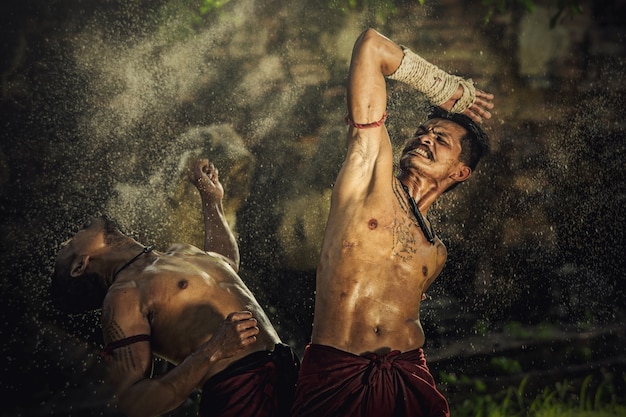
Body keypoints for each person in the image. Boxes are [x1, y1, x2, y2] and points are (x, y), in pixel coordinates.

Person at [290, 29, 495, 417]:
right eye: (423, 132)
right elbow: (371, 46)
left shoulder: (436, 252)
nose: (425, 138)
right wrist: (444, 87)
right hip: (339, 375)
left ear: (461, 171)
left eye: (441, 139)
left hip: (408, 377)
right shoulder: (369, 174)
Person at [51, 158, 299, 417]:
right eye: (70, 244)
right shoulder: (124, 296)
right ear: (80, 266)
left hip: (287, 370)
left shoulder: (176, 252)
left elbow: (224, 263)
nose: (77, 231)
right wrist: (213, 350)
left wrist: (211, 200)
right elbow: (134, 402)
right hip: (240, 395)